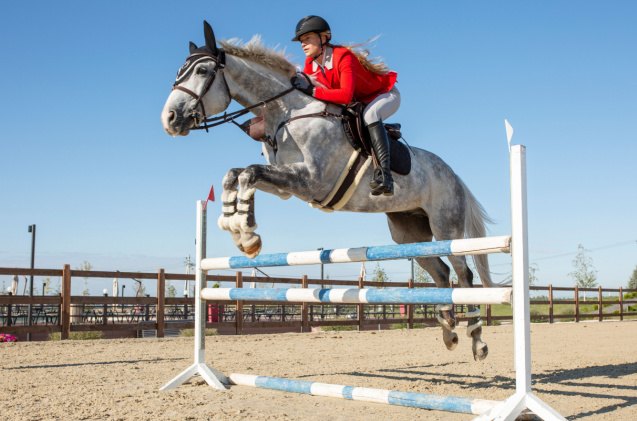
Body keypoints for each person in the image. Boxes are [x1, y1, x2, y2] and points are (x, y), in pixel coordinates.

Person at [291, 15, 400, 196]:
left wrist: (312, 91)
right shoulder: (310, 63)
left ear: (323, 38)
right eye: (301, 41)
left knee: (370, 116)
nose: (303, 44)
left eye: (307, 38)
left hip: (385, 94)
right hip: (361, 101)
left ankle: (385, 176)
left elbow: (344, 95)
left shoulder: (343, 56)